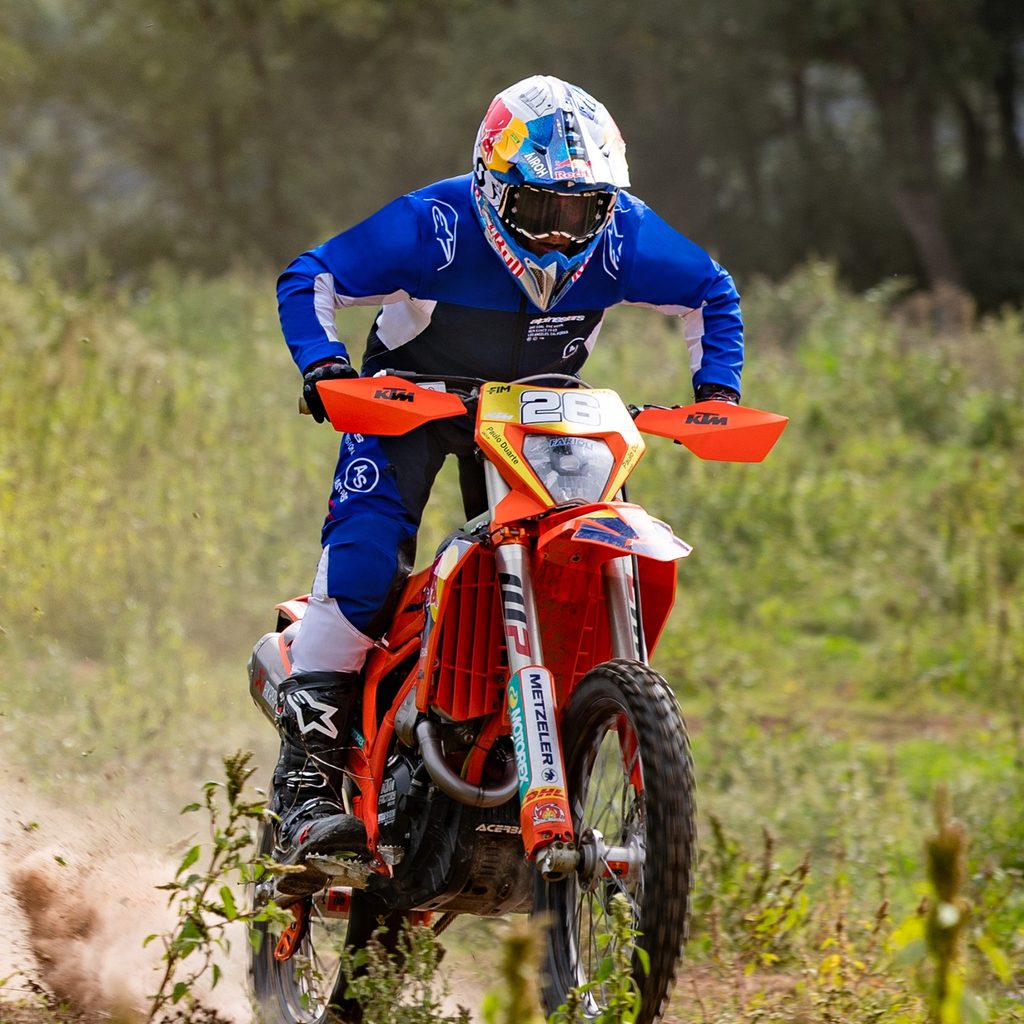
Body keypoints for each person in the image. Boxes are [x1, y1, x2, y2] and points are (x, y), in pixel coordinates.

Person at [271, 74, 744, 894]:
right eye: (541, 208)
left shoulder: (626, 236)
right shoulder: (436, 225)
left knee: (574, 555)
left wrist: (718, 394)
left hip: (540, 409)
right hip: (413, 402)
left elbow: (711, 290)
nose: (562, 233)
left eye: (583, 211)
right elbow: (310, 275)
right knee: (365, 563)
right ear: (492, 186)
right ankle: (305, 790)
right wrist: (323, 365)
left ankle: (541, 733)